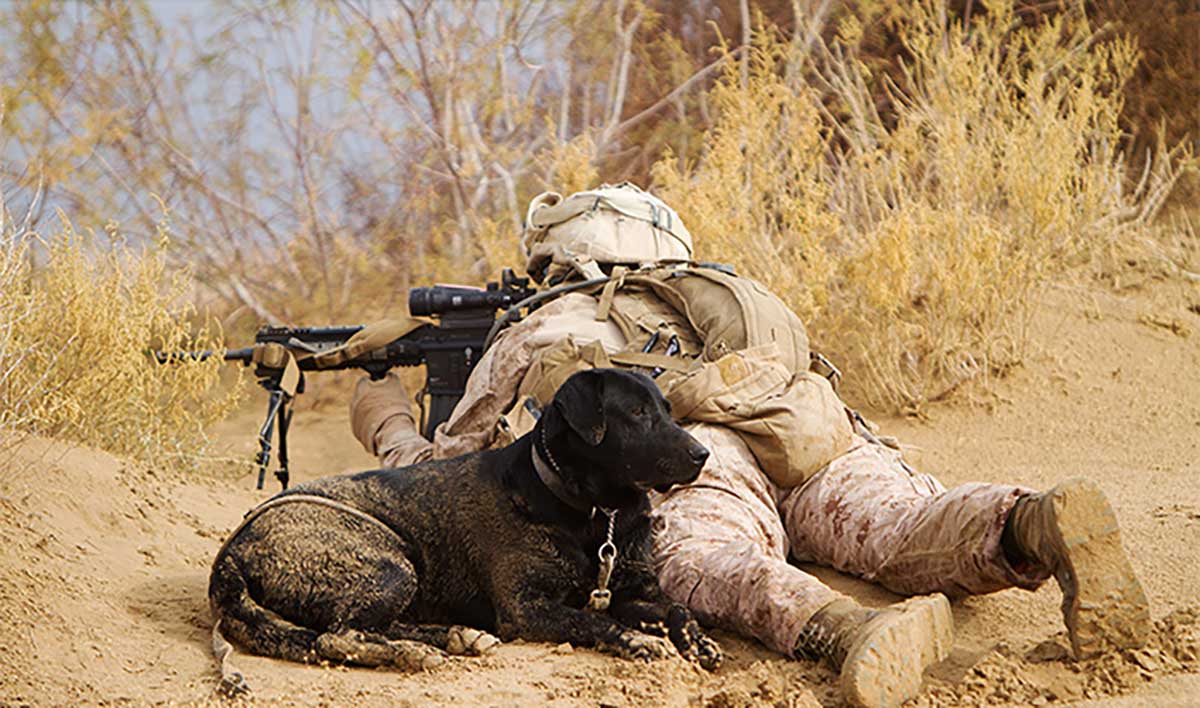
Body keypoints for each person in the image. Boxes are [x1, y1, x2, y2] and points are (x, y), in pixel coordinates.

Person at [349, 184, 1150, 707]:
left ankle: (848, 630)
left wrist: (384, 417)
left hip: (692, 456)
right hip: (809, 430)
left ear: (563, 257)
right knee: (905, 524)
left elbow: (453, 476)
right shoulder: (721, 300)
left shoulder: (548, 326)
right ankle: (1030, 523)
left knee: (706, 561)